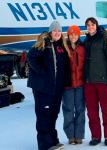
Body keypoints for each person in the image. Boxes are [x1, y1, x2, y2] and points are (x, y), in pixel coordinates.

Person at [27, 21, 70, 150]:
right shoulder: (44, 43)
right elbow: (31, 57)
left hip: (56, 88)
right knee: (44, 115)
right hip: (43, 88)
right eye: (54, 30)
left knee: (53, 114)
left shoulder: (61, 46)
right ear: (50, 32)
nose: (57, 33)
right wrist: (42, 74)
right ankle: (45, 145)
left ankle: (53, 140)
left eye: (59, 30)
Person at [84, 17, 107, 146]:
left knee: (106, 110)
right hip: (89, 82)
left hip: (103, 81)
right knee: (92, 112)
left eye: (92, 25)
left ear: (96, 26)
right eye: (88, 25)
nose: (90, 27)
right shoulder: (86, 41)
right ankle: (95, 136)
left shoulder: (104, 38)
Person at [62, 25, 85, 145]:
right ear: (68, 35)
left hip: (81, 84)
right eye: (71, 34)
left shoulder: (83, 47)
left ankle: (79, 135)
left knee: (80, 110)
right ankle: (71, 136)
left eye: (75, 34)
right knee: (68, 110)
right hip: (68, 86)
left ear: (78, 35)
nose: (73, 36)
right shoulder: (63, 47)